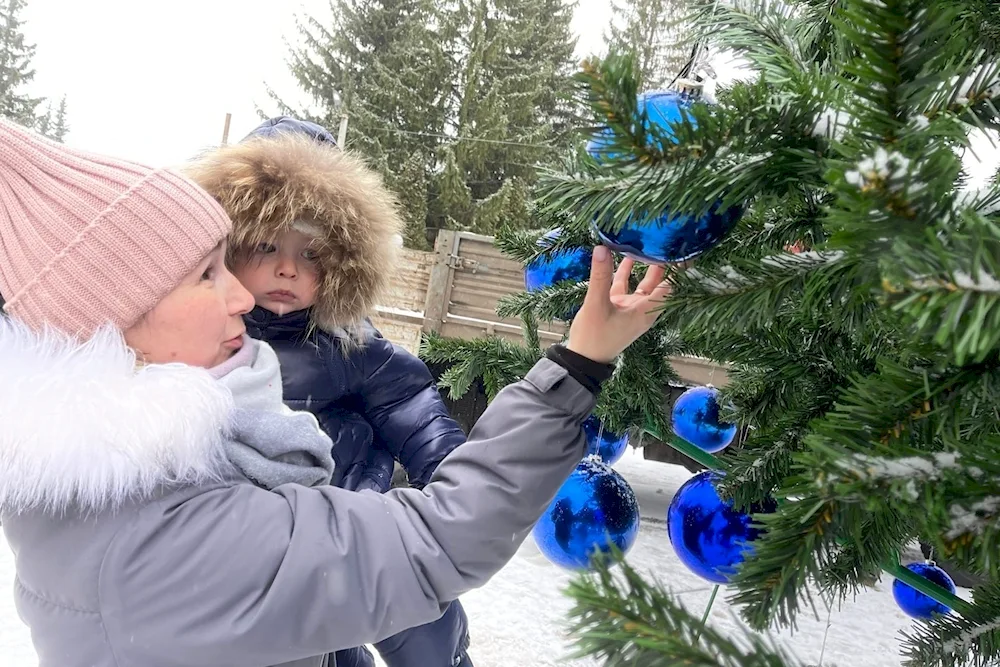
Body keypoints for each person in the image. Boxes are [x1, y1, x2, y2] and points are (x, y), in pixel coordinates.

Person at [0, 119, 671, 667]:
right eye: (219, 267)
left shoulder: (322, 348)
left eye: (314, 255)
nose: (277, 274)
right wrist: (580, 362)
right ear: (117, 314)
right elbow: (434, 541)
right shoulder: (161, 536)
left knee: (424, 633)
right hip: (333, 551)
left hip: (337, 538)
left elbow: (409, 403)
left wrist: (440, 463)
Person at [183, 116, 472, 667]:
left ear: (343, 266)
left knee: (416, 614)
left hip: (352, 518)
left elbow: (409, 403)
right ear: (224, 246)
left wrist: (452, 476)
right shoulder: (199, 335)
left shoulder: (348, 341)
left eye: (312, 254)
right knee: (318, 645)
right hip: (254, 540)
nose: (288, 268)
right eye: (265, 245)